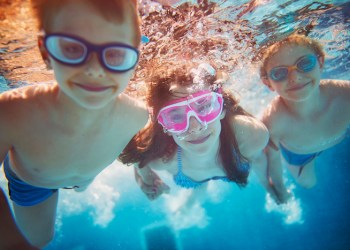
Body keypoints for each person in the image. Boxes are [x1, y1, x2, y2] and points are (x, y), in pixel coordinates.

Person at [0, 0, 148, 247]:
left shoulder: (138, 115)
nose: (94, 69)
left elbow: (140, 146)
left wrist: (144, 172)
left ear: (135, 60)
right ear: (45, 53)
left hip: (80, 177)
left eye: (115, 54)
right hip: (33, 181)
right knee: (40, 239)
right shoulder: (10, 112)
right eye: (71, 49)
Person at [120, 60, 272, 201]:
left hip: (215, 162)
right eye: (176, 116)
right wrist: (145, 177)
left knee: (199, 189)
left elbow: (258, 157)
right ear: (164, 126)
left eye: (204, 106)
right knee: (197, 192)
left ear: (221, 109)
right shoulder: (162, 161)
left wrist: (269, 184)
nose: (195, 127)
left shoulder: (251, 135)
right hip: (187, 171)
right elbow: (137, 155)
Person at [259, 34, 350, 203]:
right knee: (308, 183)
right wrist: (280, 189)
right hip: (301, 156)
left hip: (336, 138)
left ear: (320, 63)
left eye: (305, 64)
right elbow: (273, 162)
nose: (295, 77)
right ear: (268, 83)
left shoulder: (346, 95)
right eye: (280, 73)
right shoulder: (272, 122)